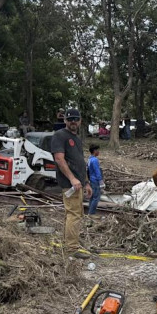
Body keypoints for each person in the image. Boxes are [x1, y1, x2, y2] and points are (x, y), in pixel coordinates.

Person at [51, 108, 93, 259]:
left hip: (78, 184)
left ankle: (69, 243)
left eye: (75, 119)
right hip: (70, 184)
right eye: (70, 119)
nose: (73, 122)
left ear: (80, 121)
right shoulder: (60, 135)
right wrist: (72, 179)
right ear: (65, 121)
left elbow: (80, 162)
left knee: (75, 214)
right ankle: (72, 248)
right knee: (74, 214)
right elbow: (59, 159)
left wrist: (86, 182)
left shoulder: (76, 138)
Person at [87, 145, 104, 216]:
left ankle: (89, 212)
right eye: (98, 150)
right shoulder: (94, 160)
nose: (99, 152)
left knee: (92, 197)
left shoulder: (89, 159)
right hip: (95, 180)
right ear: (94, 151)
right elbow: (97, 171)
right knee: (96, 198)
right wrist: (101, 181)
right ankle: (91, 214)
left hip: (91, 179)